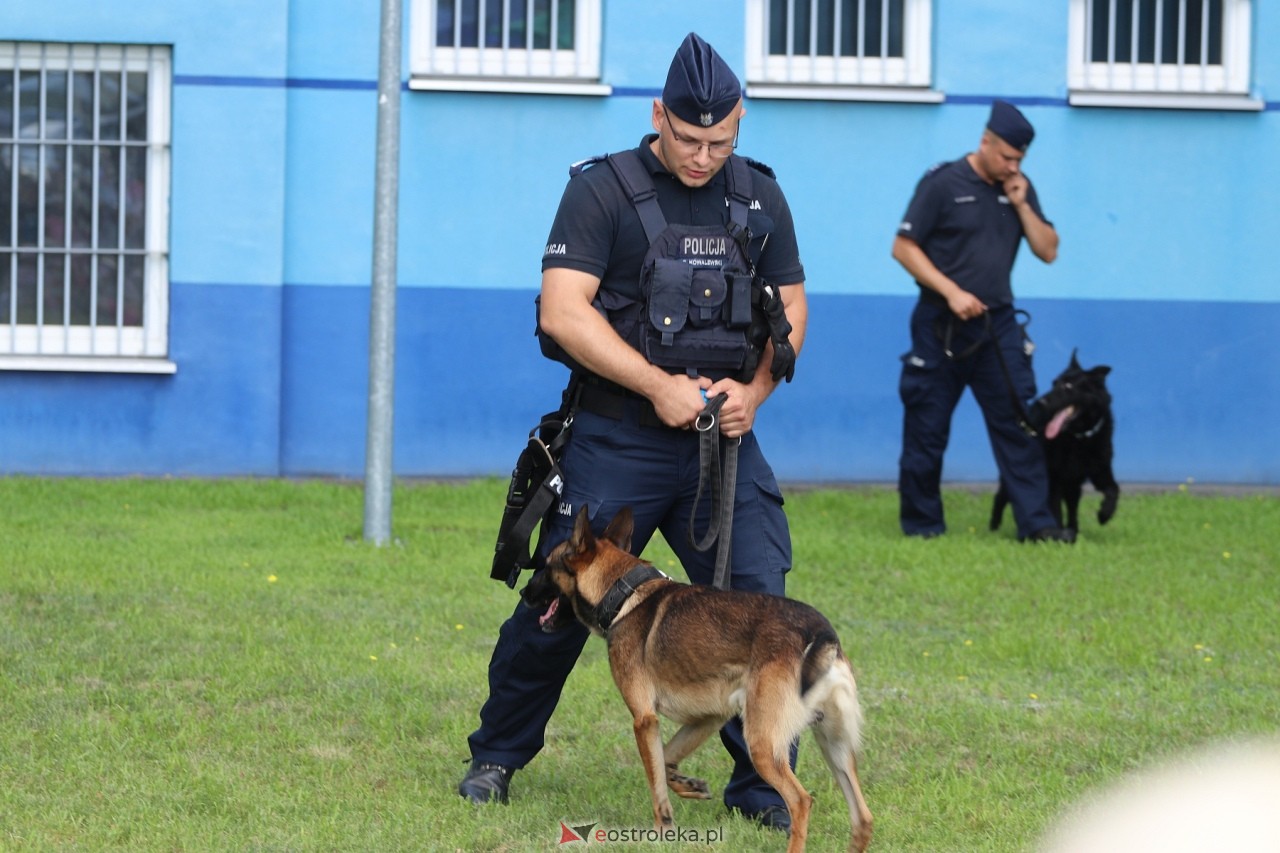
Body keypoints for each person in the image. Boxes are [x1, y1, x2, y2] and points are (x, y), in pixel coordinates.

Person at [456, 33, 809, 832]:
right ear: (659, 115)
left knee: (759, 608)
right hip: (619, 438)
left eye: (721, 141)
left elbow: (790, 306)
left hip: (722, 444)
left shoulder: (759, 196)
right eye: (689, 138)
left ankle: (759, 785)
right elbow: (562, 310)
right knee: (557, 604)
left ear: (740, 124)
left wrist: (754, 390)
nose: (703, 155)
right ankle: (496, 755)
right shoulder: (601, 190)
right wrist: (657, 385)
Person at [892, 100, 1074, 543]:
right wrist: (951, 291)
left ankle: (1038, 524)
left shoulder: (1019, 187)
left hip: (998, 327)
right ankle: (922, 525)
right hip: (941, 324)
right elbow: (904, 247)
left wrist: (1022, 203)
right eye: (1007, 156)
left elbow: (1048, 250)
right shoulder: (943, 182)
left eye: (1019, 159)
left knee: (1020, 423)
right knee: (927, 427)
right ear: (985, 141)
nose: (1013, 165)